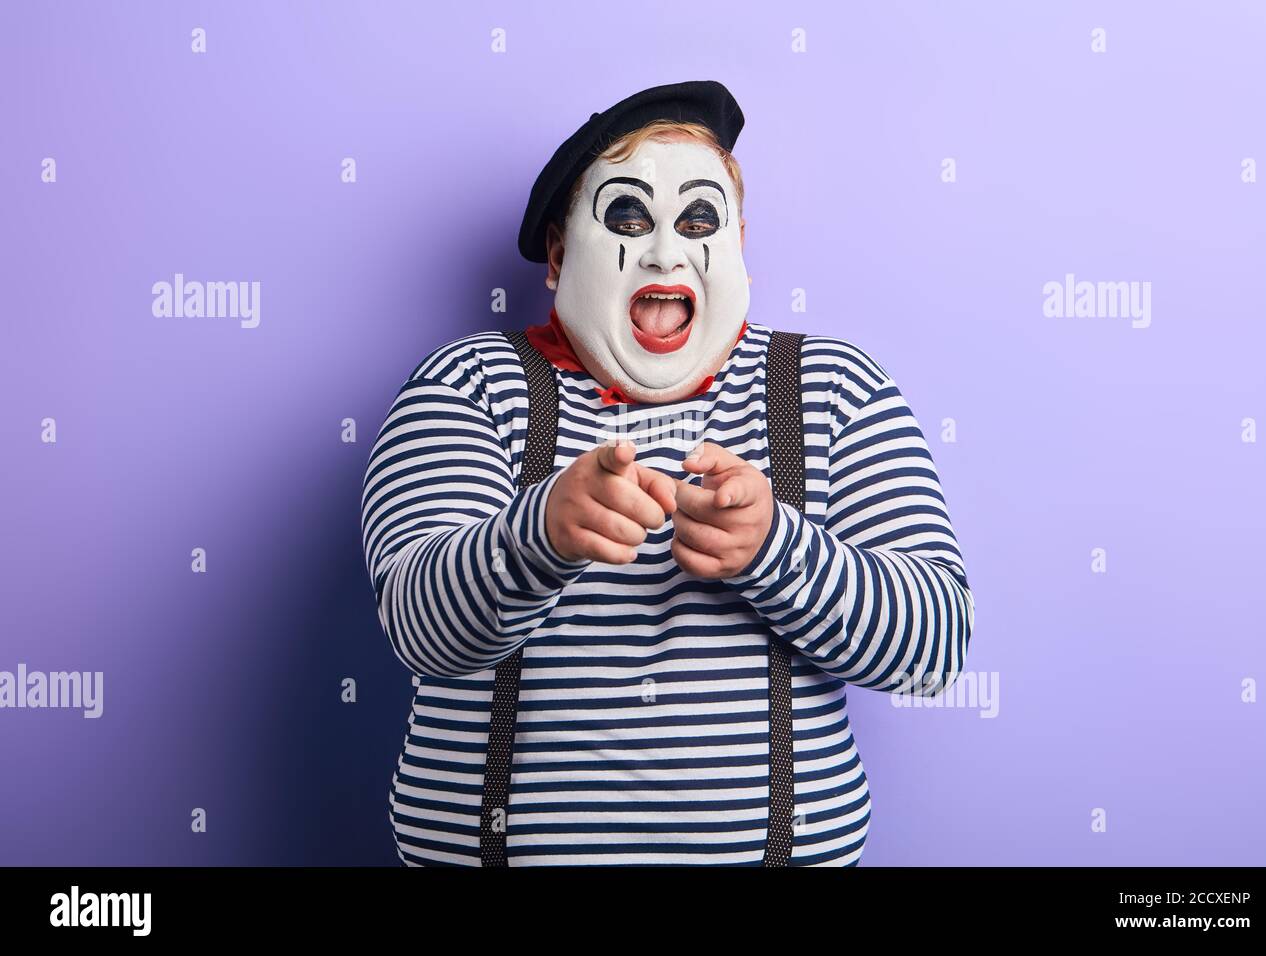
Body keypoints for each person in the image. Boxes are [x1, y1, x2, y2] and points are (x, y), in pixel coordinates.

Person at [361, 80, 974, 866]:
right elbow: (418, 628)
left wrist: (775, 552)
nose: (664, 251)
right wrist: (540, 533)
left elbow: (933, 652)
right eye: (626, 217)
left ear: (737, 244)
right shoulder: (467, 385)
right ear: (557, 255)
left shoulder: (833, 390)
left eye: (697, 221)